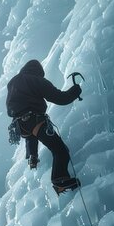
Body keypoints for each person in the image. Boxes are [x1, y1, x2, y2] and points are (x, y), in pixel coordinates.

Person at [6, 59, 82, 194]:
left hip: (20, 125)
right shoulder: (35, 80)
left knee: (31, 134)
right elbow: (60, 98)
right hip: (35, 119)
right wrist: (75, 91)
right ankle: (59, 180)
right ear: (37, 71)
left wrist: (33, 154)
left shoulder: (12, 84)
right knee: (60, 150)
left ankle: (32, 157)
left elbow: (29, 133)